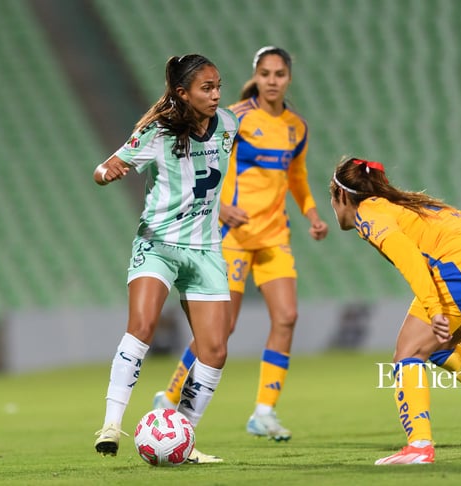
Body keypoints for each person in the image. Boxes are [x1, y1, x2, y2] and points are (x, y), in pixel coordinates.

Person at [153, 46, 328, 442]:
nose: (272, 80)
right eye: (265, 73)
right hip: (232, 237)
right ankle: (170, 395)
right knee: (221, 328)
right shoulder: (233, 119)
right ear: (256, 75)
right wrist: (220, 208)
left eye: (279, 74)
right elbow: (204, 162)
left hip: (273, 236)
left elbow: (296, 176)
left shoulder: (296, 127)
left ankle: (264, 411)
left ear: (288, 78)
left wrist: (312, 214)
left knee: (286, 317)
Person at [329, 156, 461, 465]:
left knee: (408, 352)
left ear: (340, 196)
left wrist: (434, 310)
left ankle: (419, 446)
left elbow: (410, 260)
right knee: (440, 349)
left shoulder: (369, 213)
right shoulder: (408, 206)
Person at [91, 54, 239, 464]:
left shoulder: (229, 124)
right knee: (141, 326)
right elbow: (104, 169)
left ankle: (183, 438)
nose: (215, 94)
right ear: (182, 93)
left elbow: (211, 175)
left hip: (206, 248)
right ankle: (110, 424)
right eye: (206, 88)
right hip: (158, 243)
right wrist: (109, 173)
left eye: (218, 86)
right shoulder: (156, 132)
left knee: (215, 349)